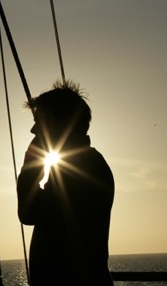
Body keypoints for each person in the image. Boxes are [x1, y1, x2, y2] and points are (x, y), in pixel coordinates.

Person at [17, 80, 114, 285]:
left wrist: (32, 162)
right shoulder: (82, 164)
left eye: (39, 120)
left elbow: (29, 212)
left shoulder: (81, 168)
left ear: (54, 122)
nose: (33, 130)